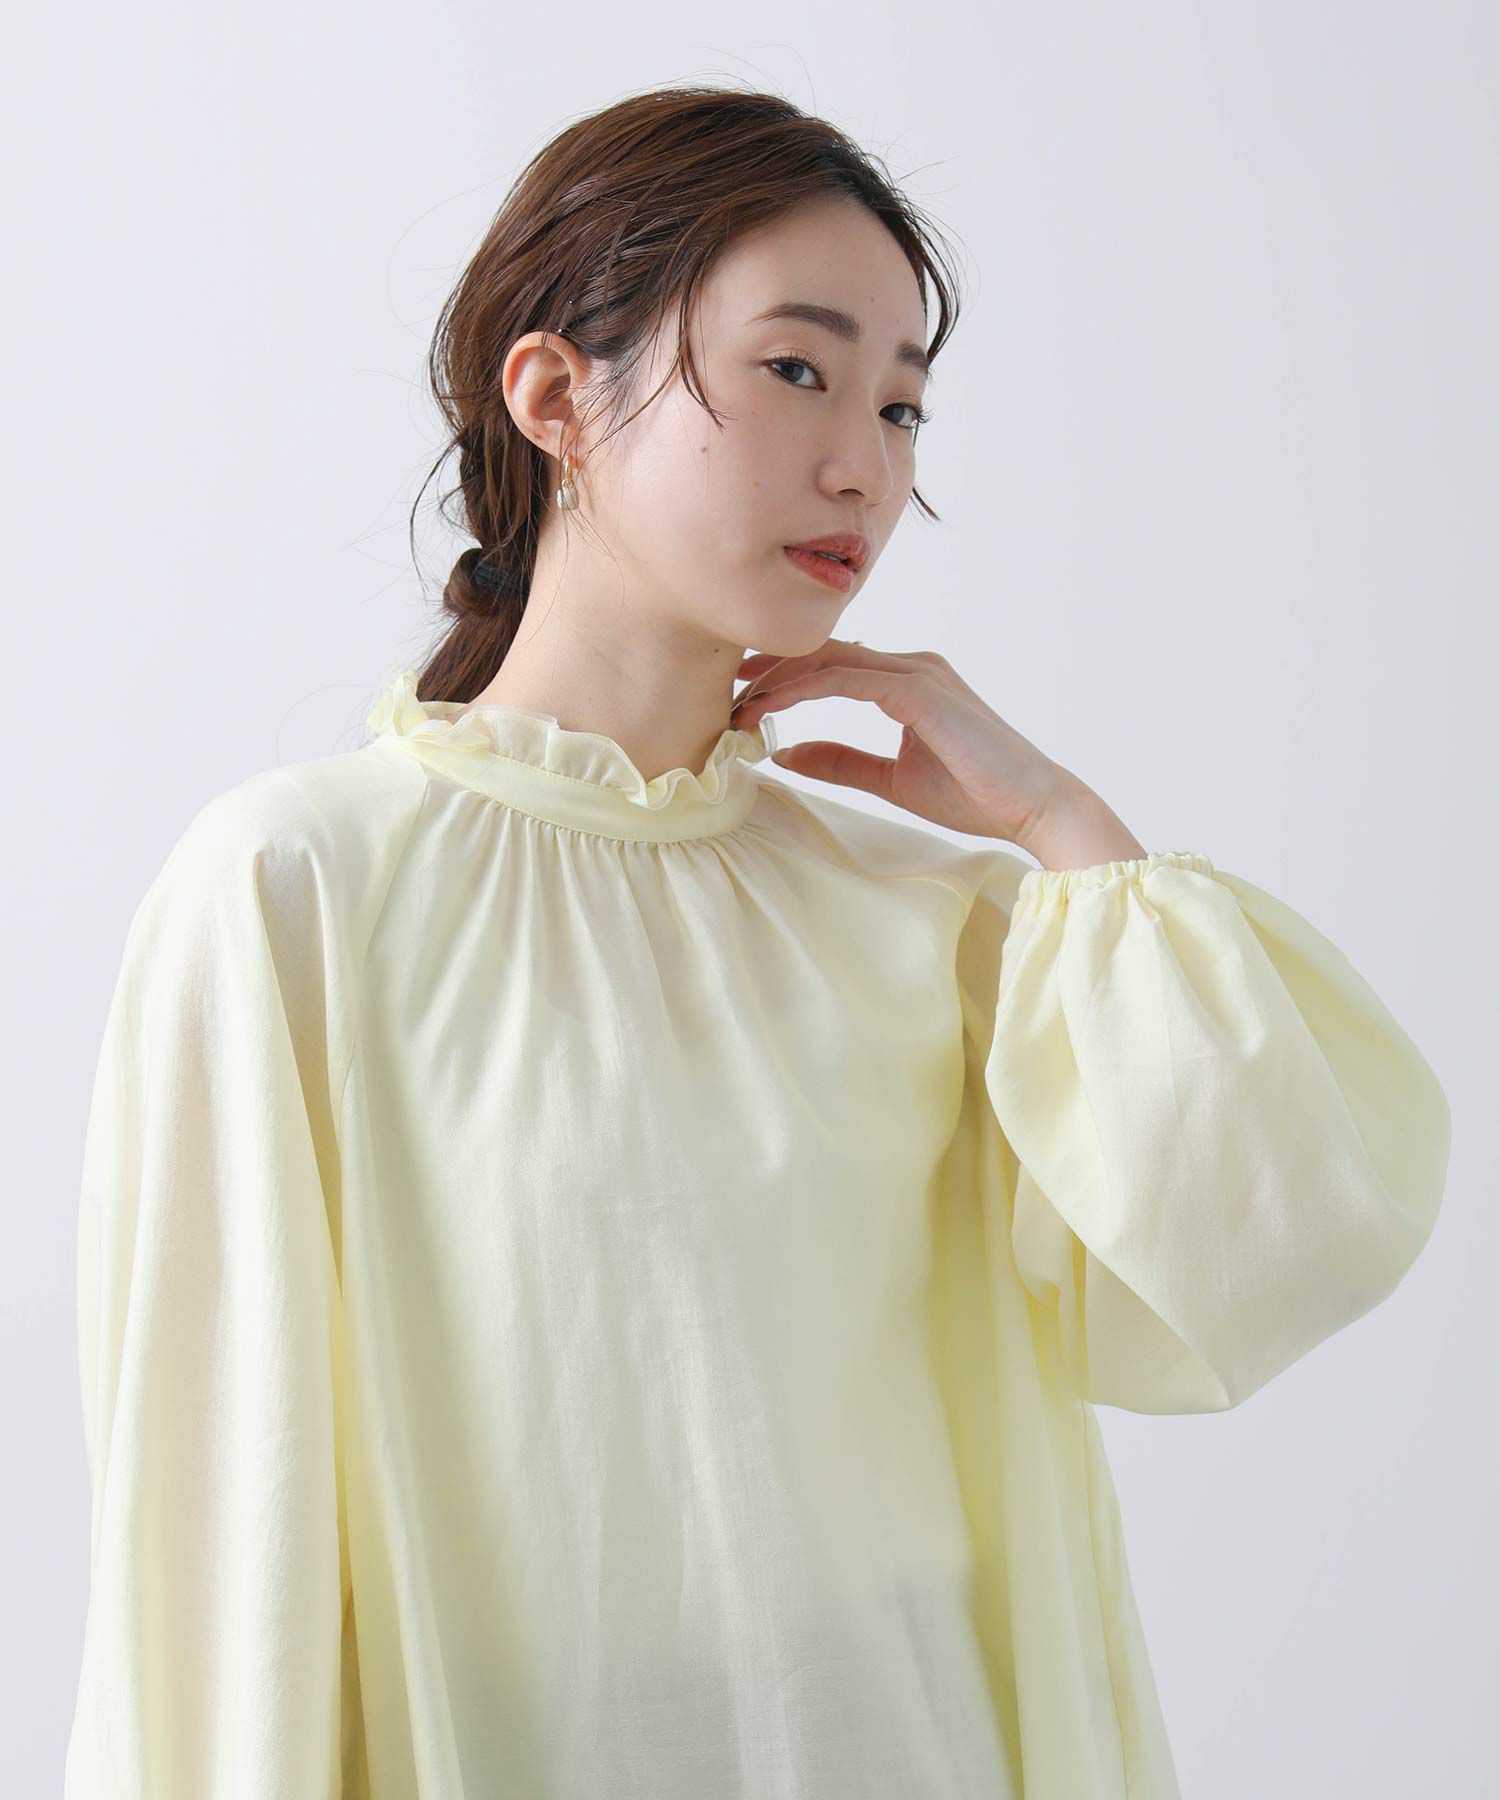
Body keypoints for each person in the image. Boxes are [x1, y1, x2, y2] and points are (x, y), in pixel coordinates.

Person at [64, 83, 1452, 1800]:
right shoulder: (298, 891)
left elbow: (1280, 1241)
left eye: (903, 404)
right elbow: (214, 1550)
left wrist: (1065, 830)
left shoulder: (928, 917)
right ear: (557, 398)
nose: (864, 463)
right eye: (798, 369)